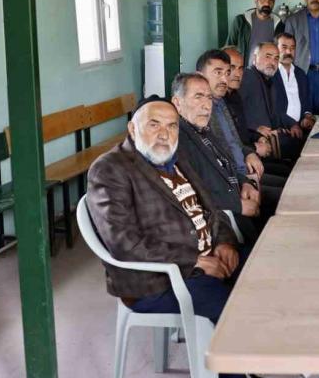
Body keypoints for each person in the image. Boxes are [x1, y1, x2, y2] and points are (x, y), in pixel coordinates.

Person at [85, 96, 240, 325]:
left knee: (261, 273)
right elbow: (124, 243)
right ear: (132, 128)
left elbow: (211, 209)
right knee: (238, 310)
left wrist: (224, 242)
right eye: (154, 124)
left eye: (172, 126)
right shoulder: (109, 169)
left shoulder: (177, 159)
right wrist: (194, 260)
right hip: (157, 282)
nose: (164, 134)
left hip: (205, 259)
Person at [171, 72, 261, 245]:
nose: (206, 106)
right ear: (177, 103)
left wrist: (245, 182)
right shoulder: (178, 139)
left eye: (209, 98)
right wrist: (237, 205)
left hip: (238, 206)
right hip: (221, 224)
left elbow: (225, 166)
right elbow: (189, 193)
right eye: (198, 97)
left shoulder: (202, 130)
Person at [196, 49, 286, 218]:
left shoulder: (221, 102)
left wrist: (249, 152)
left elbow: (235, 141)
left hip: (244, 174)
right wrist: (245, 178)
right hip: (235, 183)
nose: (225, 79)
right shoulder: (200, 112)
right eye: (218, 73)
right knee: (289, 196)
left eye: (227, 72)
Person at [221, 46, 293, 178]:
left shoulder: (235, 95)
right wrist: (254, 146)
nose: (237, 74)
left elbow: (240, 129)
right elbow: (227, 142)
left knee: (291, 169)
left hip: (254, 150)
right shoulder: (218, 101)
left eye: (240, 68)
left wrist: (257, 136)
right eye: (231, 68)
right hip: (240, 167)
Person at [240, 42, 303, 160]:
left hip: (270, 136)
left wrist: (293, 124)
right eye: (268, 57)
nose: (272, 62)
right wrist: (255, 128)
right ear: (255, 58)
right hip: (255, 141)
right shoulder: (247, 77)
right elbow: (234, 112)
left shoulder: (270, 82)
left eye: (276, 58)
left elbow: (276, 113)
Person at [225, 0, 285, 64]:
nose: (267, 3)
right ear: (256, 0)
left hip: (268, 69)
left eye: (271, 1)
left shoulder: (279, 25)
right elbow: (229, 48)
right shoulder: (241, 21)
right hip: (244, 69)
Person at [273, 32, 315, 132]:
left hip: (301, 128)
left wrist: (307, 116)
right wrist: (290, 124)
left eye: (292, 48)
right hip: (280, 129)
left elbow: (307, 101)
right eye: (284, 47)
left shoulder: (301, 74)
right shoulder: (271, 74)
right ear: (275, 49)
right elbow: (270, 108)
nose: (289, 51)